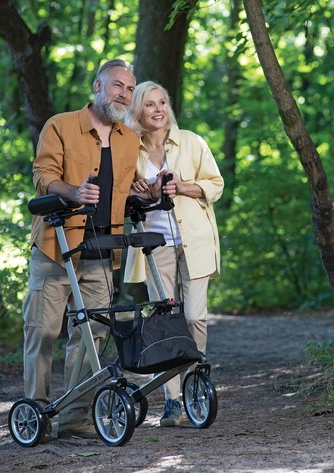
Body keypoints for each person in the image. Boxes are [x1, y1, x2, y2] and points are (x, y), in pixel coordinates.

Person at [21, 59, 139, 438]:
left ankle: (74, 416)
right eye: (117, 85)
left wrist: (148, 191)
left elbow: (129, 186)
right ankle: (35, 413)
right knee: (43, 331)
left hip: (102, 253)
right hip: (56, 247)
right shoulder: (60, 126)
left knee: (91, 337)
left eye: (129, 88)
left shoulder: (130, 139)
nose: (124, 93)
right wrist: (72, 192)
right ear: (97, 86)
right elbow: (42, 176)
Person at [123, 81, 224, 427]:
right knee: (165, 321)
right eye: (149, 104)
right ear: (138, 110)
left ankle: (196, 385)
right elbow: (119, 194)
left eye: (162, 102)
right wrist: (135, 191)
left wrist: (182, 186)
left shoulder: (192, 142)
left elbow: (216, 184)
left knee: (194, 317)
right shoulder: (128, 150)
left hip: (194, 241)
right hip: (154, 247)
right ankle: (172, 401)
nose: (158, 109)